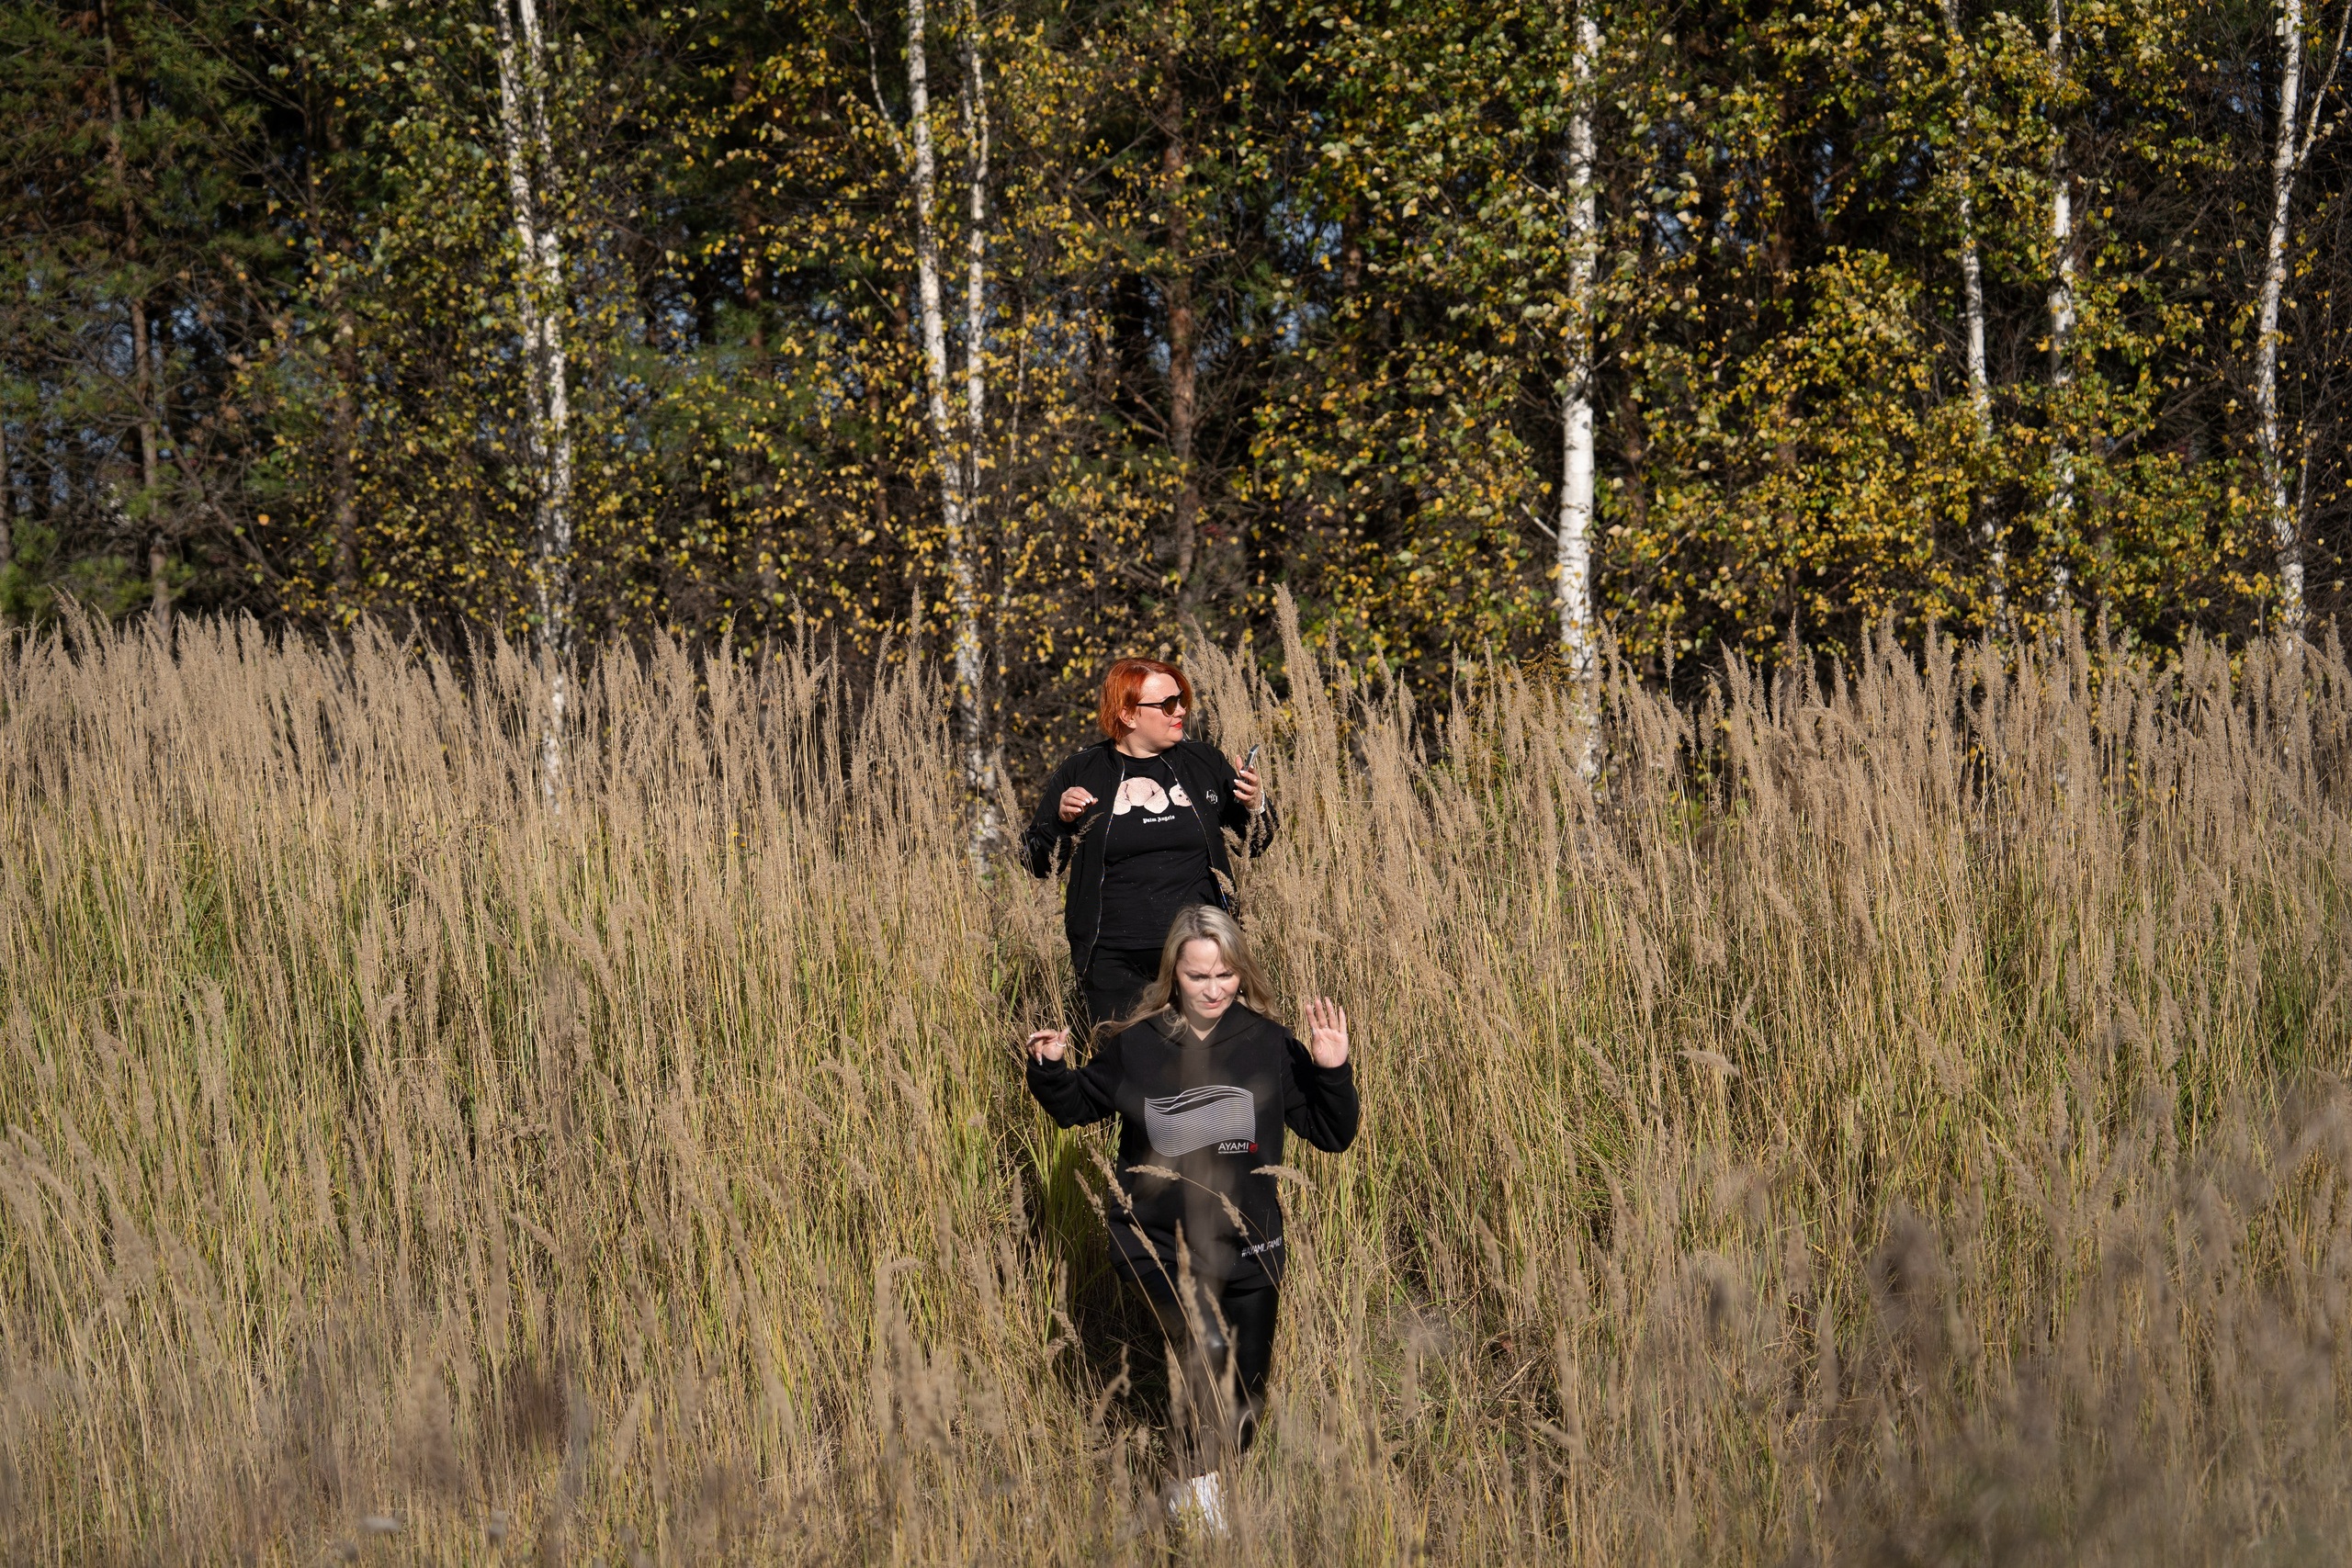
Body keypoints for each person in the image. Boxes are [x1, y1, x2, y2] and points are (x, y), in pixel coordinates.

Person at [1023, 905, 1358, 1533]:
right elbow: (1076, 1105)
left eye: (1225, 975)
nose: (1213, 989)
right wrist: (1049, 1070)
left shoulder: (1270, 1043)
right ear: (1173, 973)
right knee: (1204, 1345)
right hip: (1155, 1241)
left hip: (1253, 1247)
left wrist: (1331, 1068)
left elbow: (1332, 1134)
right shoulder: (1138, 1046)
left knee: (1247, 1404)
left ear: (1241, 972)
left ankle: (1187, 1488)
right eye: (1199, 975)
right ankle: (1204, 1520)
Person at [1021, 659, 1274, 1030]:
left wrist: (1255, 805)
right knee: (1126, 1075)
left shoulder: (1203, 762)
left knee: (1204, 1071)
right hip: (1113, 959)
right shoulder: (1082, 771)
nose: (1182, 710)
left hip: (1200, 954)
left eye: (1182, 698)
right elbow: (1037, 862)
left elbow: (1255, 843)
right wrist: (1061, 822)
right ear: (1127, 714)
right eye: (1168, 704)